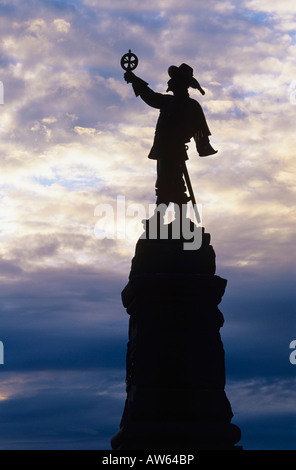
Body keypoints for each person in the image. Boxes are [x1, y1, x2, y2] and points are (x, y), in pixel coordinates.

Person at [124, 63, 217, 226]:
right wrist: (134, 80)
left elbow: (200, 131)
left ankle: (168, 220)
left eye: (174, 80)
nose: (170, 83)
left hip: (172, 151)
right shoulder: (173, 102)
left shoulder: (187, 105)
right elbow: (151, 96)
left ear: (180, 84)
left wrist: (134, 80)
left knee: (170, 185)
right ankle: (167, 220)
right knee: (167, 185)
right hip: (167, 150)